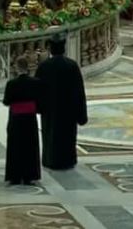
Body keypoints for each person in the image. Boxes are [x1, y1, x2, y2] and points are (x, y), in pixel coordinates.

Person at [35, 33, 88, 169]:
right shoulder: (72, 66)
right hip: (68, 110)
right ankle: (67, 160)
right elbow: (79, 92)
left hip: (50, 110)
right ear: (63, 48)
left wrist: (39, 108)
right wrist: (81, 115)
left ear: (50, 49)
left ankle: (50, 160)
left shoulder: (44, 67)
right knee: (67, 136)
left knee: (50, 135)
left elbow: (37, 90)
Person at [3, 57, 42, 185]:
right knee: (30, 146)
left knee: (15, 146)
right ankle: (29, 175)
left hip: (16, 118)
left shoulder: (11, 84)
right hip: (30, 119)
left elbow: (6, 101)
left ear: (16, 67)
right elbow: (40, 101)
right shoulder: (36, 83)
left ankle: (15, 176)